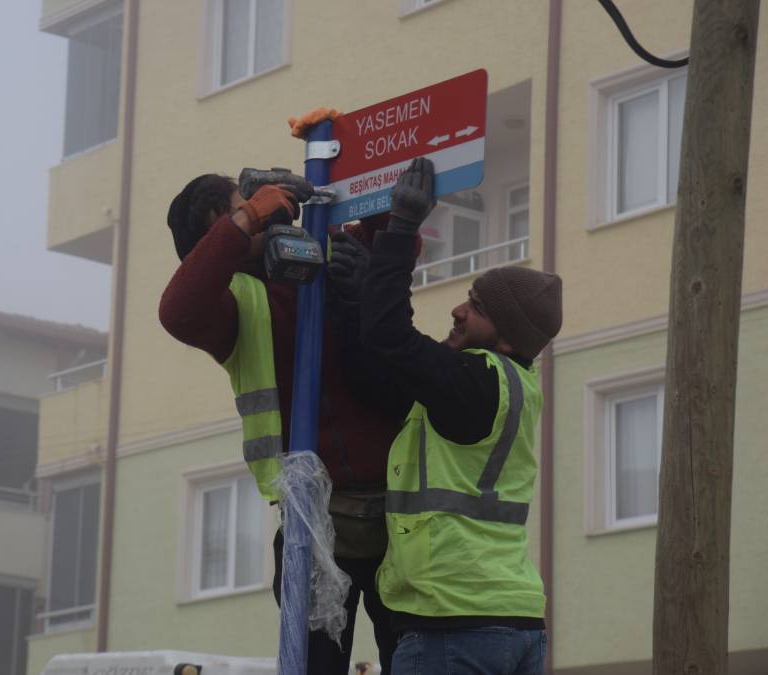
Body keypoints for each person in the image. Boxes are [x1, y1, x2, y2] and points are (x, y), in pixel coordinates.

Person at [159, 171, 402, 673]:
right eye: (237, 217)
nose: (257, 220)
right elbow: (176, 311)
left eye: (251, 206)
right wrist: (244, 218)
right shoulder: (232, 307)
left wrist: (349, 185)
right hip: (315, 525)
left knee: (415, 662)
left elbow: (395, 237)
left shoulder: (321, 251)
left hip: (400, 513)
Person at [332, 157, 560, 675]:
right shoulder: (505, 386)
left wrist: (401, 231)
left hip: (455, 625)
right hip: (514, 619)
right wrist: (356, 300)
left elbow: (393, 338)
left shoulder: (474, 381)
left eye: (476, 307)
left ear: (505, 336)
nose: (458, 310)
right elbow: (382, 375)